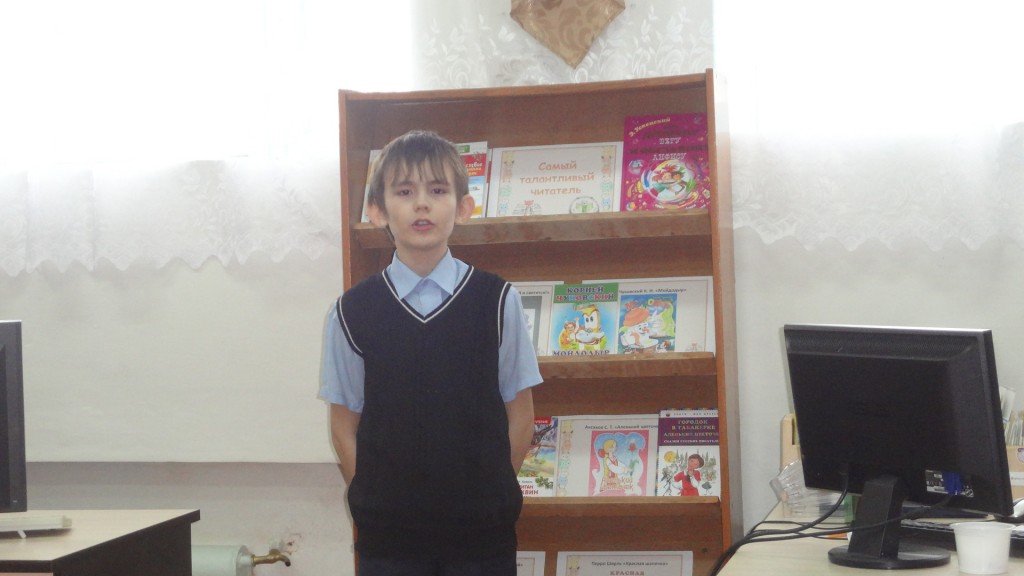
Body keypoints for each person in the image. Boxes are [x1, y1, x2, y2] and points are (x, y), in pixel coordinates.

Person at [319, 130, 542, 576]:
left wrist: (490, 495)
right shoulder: (351, 311)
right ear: (378, 210)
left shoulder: (498, 300)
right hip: (389, 543)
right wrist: (376, 501)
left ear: (463, 207)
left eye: (437, 191)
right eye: (404, 192)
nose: (422, 204)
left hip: (482, 540)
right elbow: (344, 425)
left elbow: (520, 416)